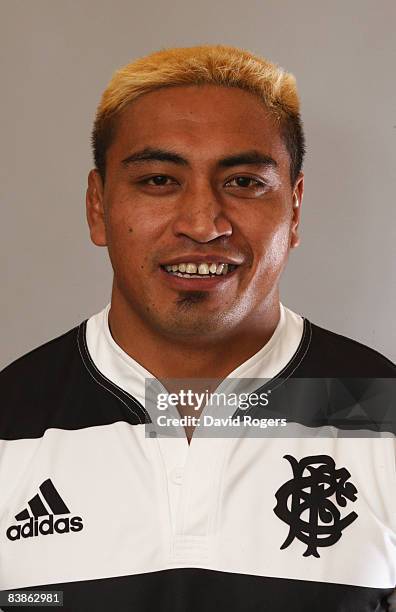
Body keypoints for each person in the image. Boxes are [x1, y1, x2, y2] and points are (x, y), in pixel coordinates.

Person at [0, 45, 395, 612]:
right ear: (97, 207)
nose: (203, 224)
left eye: (244, 182)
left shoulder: (383, 415)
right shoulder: (11, 425)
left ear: (297, 209)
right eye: (159, 179)